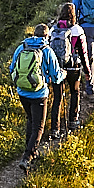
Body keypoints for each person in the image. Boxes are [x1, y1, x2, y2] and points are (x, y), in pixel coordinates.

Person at [8, 23, 64, 167]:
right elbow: (56, 76)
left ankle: (30, 149)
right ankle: (28, 156)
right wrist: (63, 74)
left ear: (34, 34)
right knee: (39, 126)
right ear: (47, 36)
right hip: (39, 94)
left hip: (22, 92)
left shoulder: (22, 47)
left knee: (31, 120)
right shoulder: (47, 50)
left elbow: (12, 68)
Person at [47, 3, 90, 137]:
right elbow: (83, 53)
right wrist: (87, 71)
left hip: (57, 68)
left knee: (57, 98)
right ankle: (73, 121)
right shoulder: (77, 30)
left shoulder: (52, 30)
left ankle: (55, 128)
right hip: (73, 67)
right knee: (75, 92)